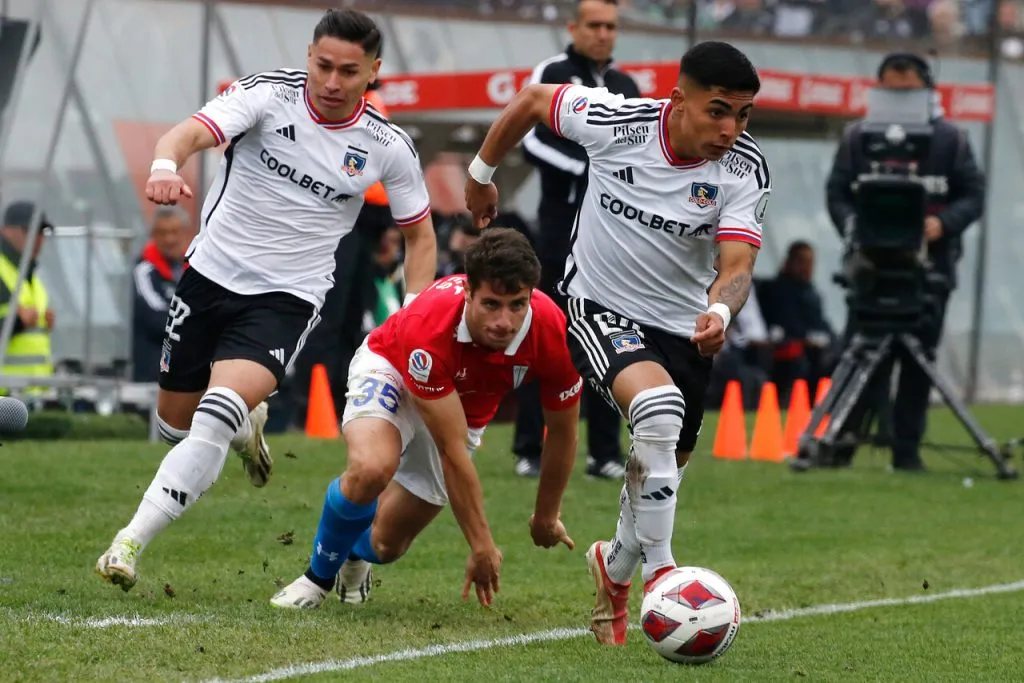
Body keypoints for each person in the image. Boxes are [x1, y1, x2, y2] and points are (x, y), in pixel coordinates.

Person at [94, 8, 437, 592]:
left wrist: (412, 315)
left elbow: (420, 235)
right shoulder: (265, 96)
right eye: (323, 65)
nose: (331, 82)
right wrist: (162, 166)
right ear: (309, 56)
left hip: (286, 298)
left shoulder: (387, 145)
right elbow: (186, 135)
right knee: (175, 424)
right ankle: (243, 424)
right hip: (209, 278)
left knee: (214, 411)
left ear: (373, 72)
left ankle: (128, 543)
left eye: (348, 71)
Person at [465, 41, 770, 645]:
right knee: (658, 411)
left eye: (742, 114)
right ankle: (668, 583)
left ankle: (618, 566)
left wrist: (718, 310)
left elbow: (737, 265)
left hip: (685, 328)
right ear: (678, 99)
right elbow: (530, 100)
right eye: (717, 111)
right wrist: (480, 176)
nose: (730, 128)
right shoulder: (616, 121)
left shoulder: (744, 166)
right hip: (596, 306)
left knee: (661, 467)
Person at [270, 228, 582, 609]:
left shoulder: (553, 331)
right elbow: (452, 454)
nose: (505, 321)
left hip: (463, 411)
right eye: (491, 304)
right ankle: (315, 580)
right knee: (371, 467)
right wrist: (482, 545)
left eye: (517, 304)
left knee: (386, 546)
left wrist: (546, 517)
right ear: (468, 292)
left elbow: (564, 433)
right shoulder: (429, 328)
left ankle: (354, 551)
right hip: (394, 369)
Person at [824, 52, 985, 471]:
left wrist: (942, 223)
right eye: (891, 90)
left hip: (929, 269)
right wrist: (857, 229)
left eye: (907, 90)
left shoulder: (951, 140)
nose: (899, 98)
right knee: (859, 355)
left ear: (927, 90)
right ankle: (841, 442)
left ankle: (907, 450)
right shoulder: (859, 137)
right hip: (871, 268)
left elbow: (973, 195)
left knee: (919, 361)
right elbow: (837, 192)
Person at [513, 0, 640, 481]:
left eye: (611, 26)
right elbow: (531, 138)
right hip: (559, 227)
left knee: (612, 335)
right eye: (595, 25)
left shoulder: (626, 87)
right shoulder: (554, 73)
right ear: (574, 28)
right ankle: (529, 447)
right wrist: (590, 171)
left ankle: (604, 452)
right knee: (544, 332)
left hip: (612, 236)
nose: (603, 34)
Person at [131, 206, 192, 383]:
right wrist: (197, 324)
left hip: (190, 370)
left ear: (186, 233)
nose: (169, 239)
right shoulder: (144, 270)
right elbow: (156, 316)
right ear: (153, 236)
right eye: (162, 233)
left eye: (175, 231)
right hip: (153, 372)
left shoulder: (197, 269)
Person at [0, 201, 55, 395]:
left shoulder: (29, 273)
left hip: (34, 394)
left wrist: (44, 323)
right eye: (30, 230)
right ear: (7, 231)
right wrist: (16, 322)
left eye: (41, 233)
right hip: (6, 396)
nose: (38, 239)